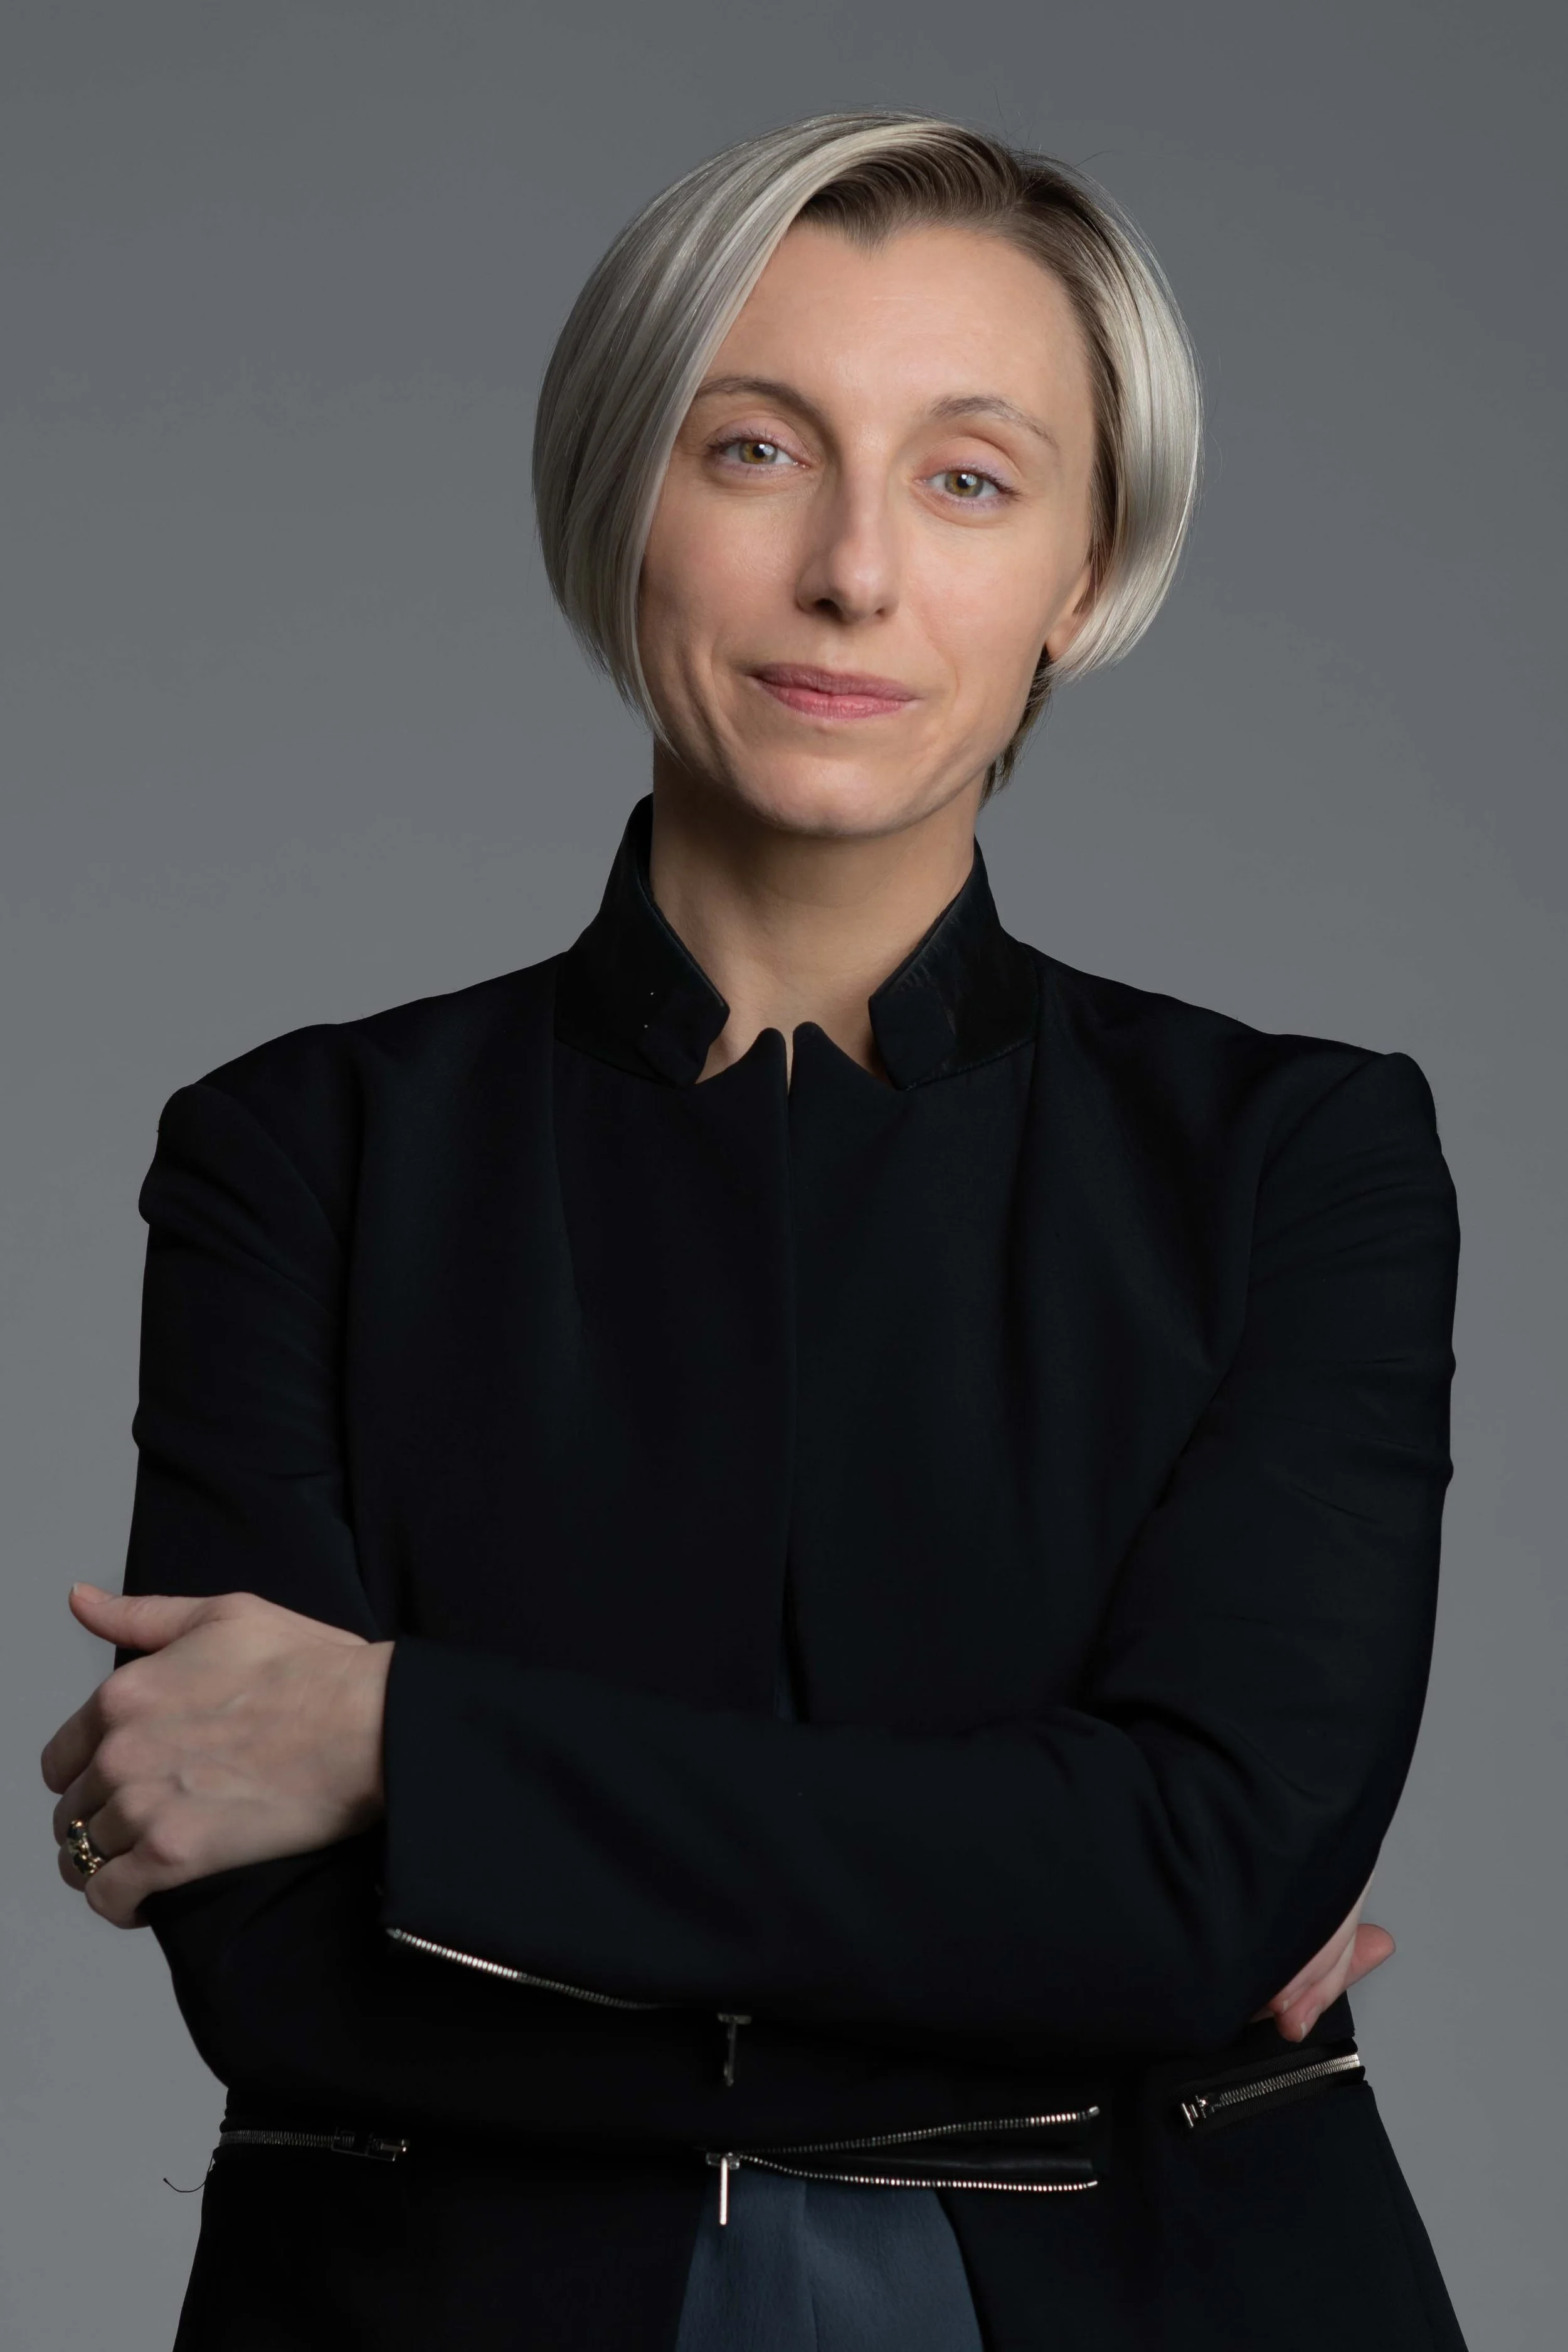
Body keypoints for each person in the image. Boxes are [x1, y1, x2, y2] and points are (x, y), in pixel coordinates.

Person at [41, 112, 1466, 2350]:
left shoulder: (1302, 1157)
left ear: (1084, 575)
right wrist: (1104, 1963)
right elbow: (284, 1979)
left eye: (970, 477)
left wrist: (409, 1740)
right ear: (623, 496)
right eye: (753, 450)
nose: (855, 573)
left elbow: (1193, 1880)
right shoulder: (294, 1152)